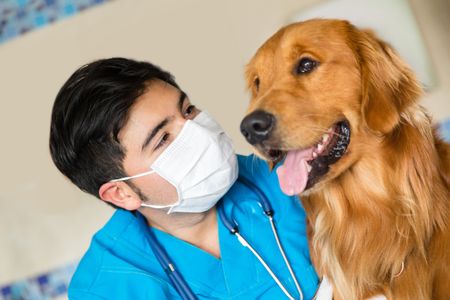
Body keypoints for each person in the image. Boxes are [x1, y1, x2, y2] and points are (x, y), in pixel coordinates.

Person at [49, 57, 319, 299]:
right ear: (122, 193)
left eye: (188, 110)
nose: (196, 132)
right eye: (163, 139)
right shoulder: (106, 288)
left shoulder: (289, 176)